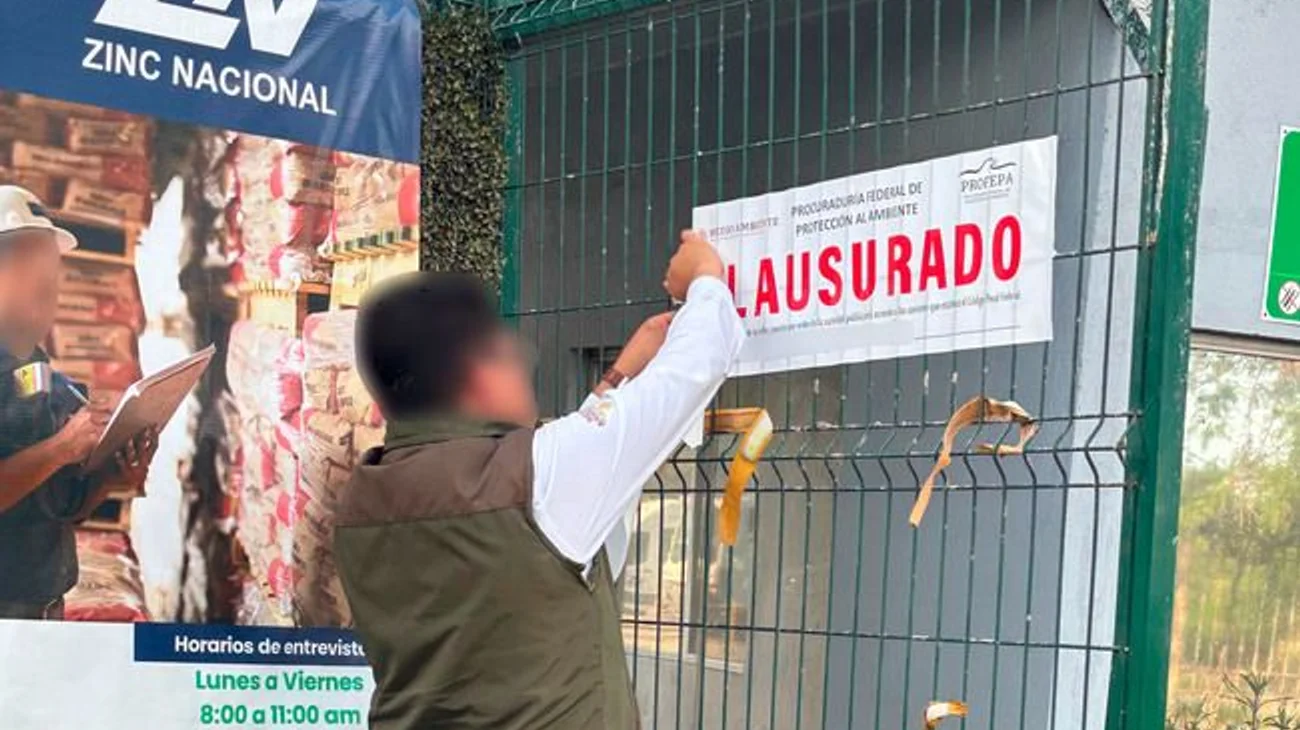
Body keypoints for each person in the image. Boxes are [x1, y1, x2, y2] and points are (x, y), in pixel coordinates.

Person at [334, 230, 745, 729]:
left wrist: (617, 378)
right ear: (481, 372)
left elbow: (566, 494)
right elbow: (696, 366)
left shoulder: (363, 501)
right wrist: (705, 277)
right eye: (514, 357)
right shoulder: (534, 478)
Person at [0, 185, 157, 621]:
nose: (51, 277)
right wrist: (61, 448)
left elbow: (55, 506)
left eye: (51, 262)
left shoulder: (30, 364)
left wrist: (108, 476)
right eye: (36, 260)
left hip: (40, 605)